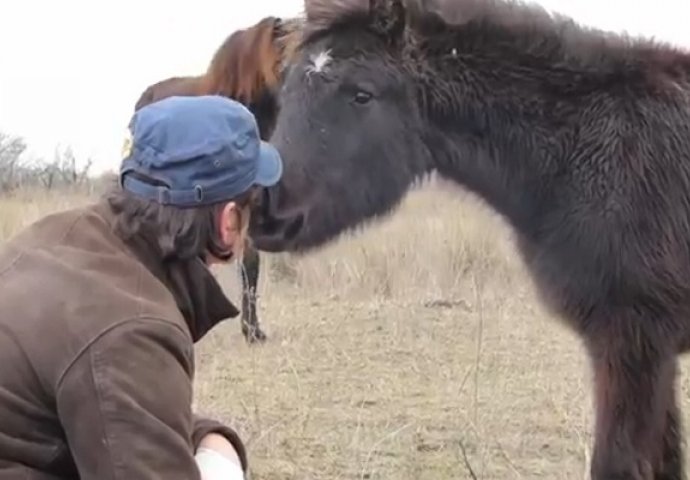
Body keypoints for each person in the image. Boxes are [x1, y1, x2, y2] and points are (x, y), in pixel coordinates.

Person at [0, 95, 283, 479]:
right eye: (252, 206)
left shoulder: (57, 236)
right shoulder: (132, 327)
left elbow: (108, 404)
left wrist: (212, 438)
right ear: (229, 222)